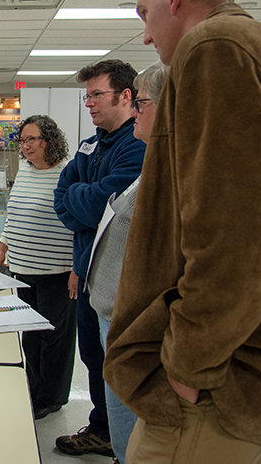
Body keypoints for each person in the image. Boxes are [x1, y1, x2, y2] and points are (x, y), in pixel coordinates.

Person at [105, 0, 261, 462]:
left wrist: (187, 368)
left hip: (215, 391)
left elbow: (233, 237)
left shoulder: (215, 49)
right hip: (258, 373)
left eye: (144, 14)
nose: (146, 35)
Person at [53, 60, 146, 457]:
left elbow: (100, 210)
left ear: (126, 96)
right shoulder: (91, 143)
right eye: (86, 95)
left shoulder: (139, 145)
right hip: (88, 271)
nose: (88, 103)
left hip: (119, 281)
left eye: (96, 94)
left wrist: (85, 200)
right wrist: (87, 201)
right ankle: (102, 429)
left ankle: (125, 442)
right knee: (93, 356)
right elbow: (65, 199)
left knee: (119, 367)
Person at [86, 61, 168, 463]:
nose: (137, 110)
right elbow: (77, 195)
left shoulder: (168, 168)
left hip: (132, 321)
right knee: (121, 417)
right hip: (112, 314)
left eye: (144, 102)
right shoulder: (153, 160)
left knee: (133, 426)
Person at [0, 115, 75, 421]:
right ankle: (32, 386)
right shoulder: (25, 171)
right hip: (23, 267)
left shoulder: (68, 172)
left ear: (48, 140)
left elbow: (79, 224)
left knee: (54, 337)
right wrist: (3, 247)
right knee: (30, 333)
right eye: (22, 141)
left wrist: (77, 266)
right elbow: (13, 213)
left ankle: (52, 397)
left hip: (57, 270)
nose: (25, 147)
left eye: (31, 140)